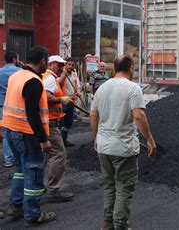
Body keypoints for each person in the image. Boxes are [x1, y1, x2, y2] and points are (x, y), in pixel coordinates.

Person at [90, 55, 157, 230]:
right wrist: (149, 139)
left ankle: (107, 224)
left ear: (114, 68)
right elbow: (139, 115)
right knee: (124, 188)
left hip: (104, 147)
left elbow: (93, 115)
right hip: (123, 148)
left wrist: (96, 137)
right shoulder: (133, 88)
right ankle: (120, 226)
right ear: (131, 68)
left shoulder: (102, 88)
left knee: (110, 185)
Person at [2, 46, 56, 226]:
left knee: (21, 171)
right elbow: (32, 113)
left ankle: (16, 206)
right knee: (33, 172)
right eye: (47, 61)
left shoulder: (16, 76)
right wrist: (43, 139)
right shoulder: (33, 81)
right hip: (27, 134)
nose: (47, 65)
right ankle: (33, 214)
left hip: (11, 131)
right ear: (42, 60)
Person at [42, 55, 75, 202]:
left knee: (44, 155)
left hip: (45, 121)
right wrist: (61, 99)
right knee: (59, 153)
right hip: (49, 122)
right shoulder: (49, 78)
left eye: (63, 65)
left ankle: (38, 185)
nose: (62, 67)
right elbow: (46, 97)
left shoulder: (47, 76)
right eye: (59, 65)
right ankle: (53, 190)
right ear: (50, 64)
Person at [0, 51, 21, 167]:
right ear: (14, 59)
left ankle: (8, 160)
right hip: (15, 105)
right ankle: (17, 157)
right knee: (17, 131)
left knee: (5, 133)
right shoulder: (20, 72)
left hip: (2, 104)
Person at [59, 58, 81, 147]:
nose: (71, 66)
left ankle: (64, 139)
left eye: (72, 65)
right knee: (61, 122)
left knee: (69, 122)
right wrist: (63, 75)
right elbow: (58, 84)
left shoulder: (74, 73)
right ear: (65, 65)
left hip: (71, 101)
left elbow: (77, 84)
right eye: (69, 64)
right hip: (63, 101)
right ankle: (60, 142)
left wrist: (78, 91)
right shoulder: (60, 73)